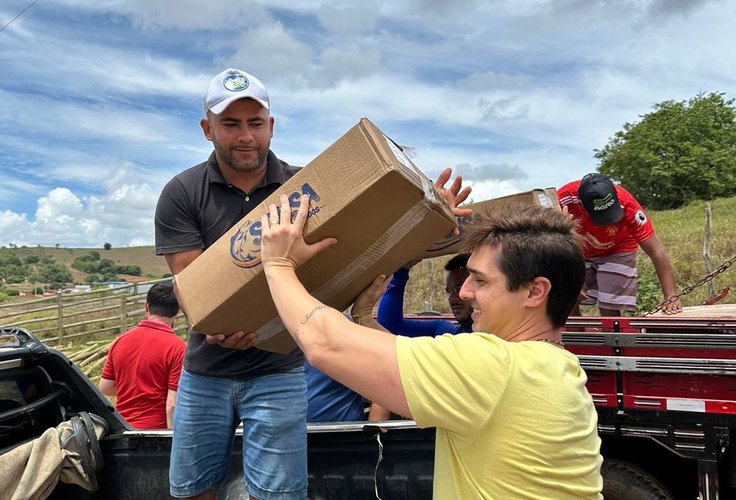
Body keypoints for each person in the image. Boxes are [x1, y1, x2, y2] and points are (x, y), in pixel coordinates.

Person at [259, 191, 604, 498]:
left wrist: (277, 264)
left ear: (534, 292)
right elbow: (397, 356)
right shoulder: (551, 365)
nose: (465, 292)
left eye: (480, 281)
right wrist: (364, 314)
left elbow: (324, 343)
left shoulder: (496, 367)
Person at [154, 68, 305, 500]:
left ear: (271, 126)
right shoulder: (181, 192)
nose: (245, 136)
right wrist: (223, 322)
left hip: (279, 368)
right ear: (208, 129)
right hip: (206, 371)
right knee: (192, 490)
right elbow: (195, 286)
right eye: (231, 124)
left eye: (255, 123)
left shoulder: (304, 188)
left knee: (278, 495)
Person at [558, 172, 682, 316]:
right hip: (577, 248)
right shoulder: (562, 200)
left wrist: (671, 296)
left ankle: (612, 335)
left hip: (619, 246)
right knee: (567, 297)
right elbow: (549, 242)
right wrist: (568, 276)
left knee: (610, 301)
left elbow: (656, 250)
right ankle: (576, 336)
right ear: (581, 204)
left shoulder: (628, 205)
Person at [99, 281, 185, 430]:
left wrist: (135, 390)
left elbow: (105, 387)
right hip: (155, 433)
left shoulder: (121, 341)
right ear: (178, 310)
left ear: (146, 306)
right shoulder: (178, 348)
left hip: (122, 428)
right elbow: (172, 405)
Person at [377, 253, 473, 336]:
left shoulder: (486, 343)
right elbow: (389, 326)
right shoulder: (444, 332)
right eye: (449, 292)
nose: (452, 298)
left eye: (459, 289)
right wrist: (401, 271)